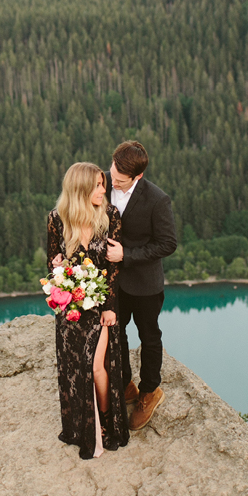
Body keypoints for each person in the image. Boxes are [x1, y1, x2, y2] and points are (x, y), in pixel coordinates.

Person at [47, 163, 129, 460]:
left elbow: (114, 267)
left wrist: (108, 307)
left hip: (100, 308)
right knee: (76, 369)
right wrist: (57, 268)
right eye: (96, 185)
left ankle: (106, 425)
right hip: (71, 310)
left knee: (97, 367)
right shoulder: (57, 220)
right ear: (80, 189)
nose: (103, 190)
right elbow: (52, 262)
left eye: (103, 183)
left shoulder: (110, 217)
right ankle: (80, 426)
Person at [105, 141, 177, 431]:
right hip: (111, 281)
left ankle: (150, 391)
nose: (113, 179)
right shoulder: (104, 179)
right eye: (112, 171)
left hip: (145, 283)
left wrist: (127, 256)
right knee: (115, 332)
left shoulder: (157, 199)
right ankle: (124, 386)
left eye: (120, 179)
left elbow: (168, 243)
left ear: (138, 177)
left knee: (149, 337)